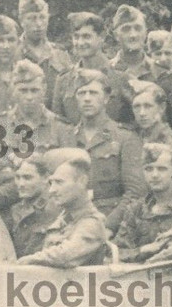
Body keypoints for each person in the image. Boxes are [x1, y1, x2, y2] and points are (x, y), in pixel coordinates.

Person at [62, 70, 147, 228]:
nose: (87, 98)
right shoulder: (66, 137)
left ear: (106, 98)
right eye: (82, 93)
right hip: (71, 222)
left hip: (111, 221)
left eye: (93, 93)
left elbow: (135, 192)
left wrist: (107, 226)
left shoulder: (125, 138)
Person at [17, 149, 109, 268]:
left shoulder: (91, 223)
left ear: (82, 181)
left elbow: (64, 255)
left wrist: (25, 261)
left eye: (59, 182)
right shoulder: (64, 218)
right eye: (51, 183)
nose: (52, 190)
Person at [52, 12, 132, 125]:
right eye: (76, 37)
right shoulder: (64, 80)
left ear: (102, 37)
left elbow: (132, 124)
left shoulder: (120, 77)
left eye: (86, 36)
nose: (80, 42)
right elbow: (57, 125)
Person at [111, 142, 172, 261]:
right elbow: (116, 253)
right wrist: (143, 250)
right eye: (149, 169)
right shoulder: (136, 210)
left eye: (162, 169)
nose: (154, 175)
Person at [0, 59, 71, 156]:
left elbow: (71, 165)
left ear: (44, 90)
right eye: (23, 91)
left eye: (34, 90)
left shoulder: (60, 127)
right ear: (13, 91)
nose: (29, 97)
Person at [17, 0, 73, 110]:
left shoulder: (60, 54)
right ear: (21, 20)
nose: (38, 24)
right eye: (32, 18)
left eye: (42, 17)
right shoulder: (12, 53)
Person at [5, 154, 61, 258]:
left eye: (27, 178)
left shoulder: (57, 207)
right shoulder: (15, 210)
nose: (21, 184)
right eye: (17, 177)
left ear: (45, 178)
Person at [129, 82, 172, 149]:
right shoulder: (131, 139)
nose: (142, 113)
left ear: (162, 107)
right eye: (136, 107)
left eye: (148, 106)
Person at [109, 4, 154, 82]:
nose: (133, 35)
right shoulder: (107, 71)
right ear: (116, 35)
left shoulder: (159, 71)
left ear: (146, 32)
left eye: (138, 28)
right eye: (126, 29)